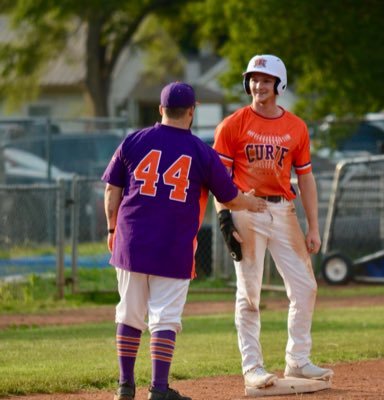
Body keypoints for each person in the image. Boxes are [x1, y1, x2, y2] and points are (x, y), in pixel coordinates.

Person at [102, 82, 267, 400]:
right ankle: (159, 389)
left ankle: (125, 386)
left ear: (160, 110)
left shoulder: (134, 140)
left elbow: (112, 190)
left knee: (129, 313)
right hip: (174, 247)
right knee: (164, 317)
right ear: (192, 111)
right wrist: (252, 202)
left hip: (131, 240)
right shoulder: (201, 152)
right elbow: (230, 198)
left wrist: (111, 230)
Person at [213, 54, 334, 391]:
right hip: (246, 209)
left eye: (265, 80)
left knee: (306, 287)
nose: (258, 85)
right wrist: (225, 217)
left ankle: (297, 359)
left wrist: (313, 226)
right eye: (253, 79)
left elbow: (306, 179)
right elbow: (219, 178)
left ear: (279, 84)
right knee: (249, 293)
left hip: (283, 211)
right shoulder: (233, 124)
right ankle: (252, 368)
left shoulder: (296, 126)